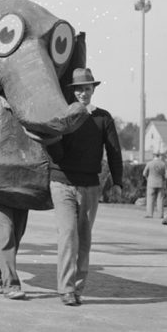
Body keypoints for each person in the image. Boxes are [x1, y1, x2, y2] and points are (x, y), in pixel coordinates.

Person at [46, 68, 123, 307]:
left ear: (93, 90)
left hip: (90, 185)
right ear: (73, 91)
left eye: (87, 88)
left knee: (84, 238)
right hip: (62, 183)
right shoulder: (63, 115)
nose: (83, 93)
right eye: (78, 89)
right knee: (68, 235)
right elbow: (53, 148)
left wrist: (117, 181)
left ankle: (78, 288)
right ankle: (66, 289)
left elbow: (114, 152)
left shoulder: (103, 118)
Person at [143, 151, 166, 220]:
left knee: (150, 198)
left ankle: (150, 214)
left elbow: (144, 173)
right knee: (160, 199)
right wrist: (163, 179)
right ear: (159, 156)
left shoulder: (149, 163)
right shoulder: (163, 164)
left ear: (153, 156)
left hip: (151, 183)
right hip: (160, 183)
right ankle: (160, 214)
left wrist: (148, 178)